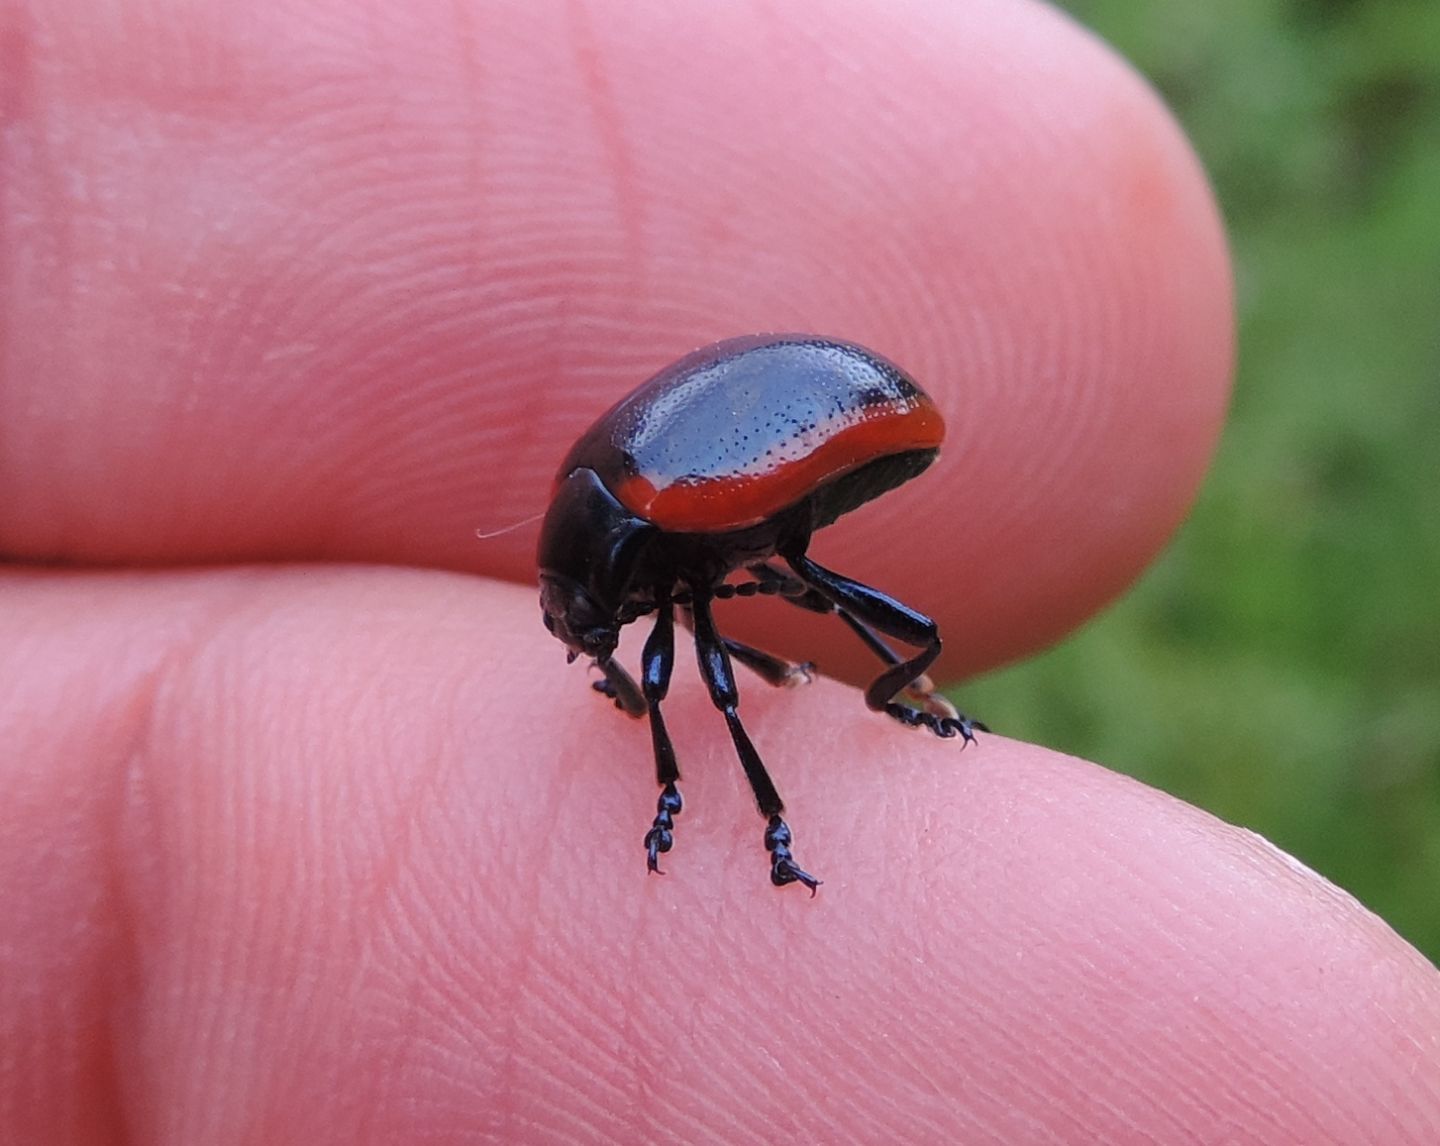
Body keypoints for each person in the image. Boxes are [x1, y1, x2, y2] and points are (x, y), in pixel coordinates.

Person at [2, 0, 1436, 1140]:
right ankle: (895, 701)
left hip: (822, 434)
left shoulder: (659, 527)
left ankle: (801, 774)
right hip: (751, 489)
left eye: (586, 618)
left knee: (780, 677)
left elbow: (706, 669)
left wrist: (680, 770)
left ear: (610, 570)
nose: (589, 638)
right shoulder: (639, 545)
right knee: (813, 640)